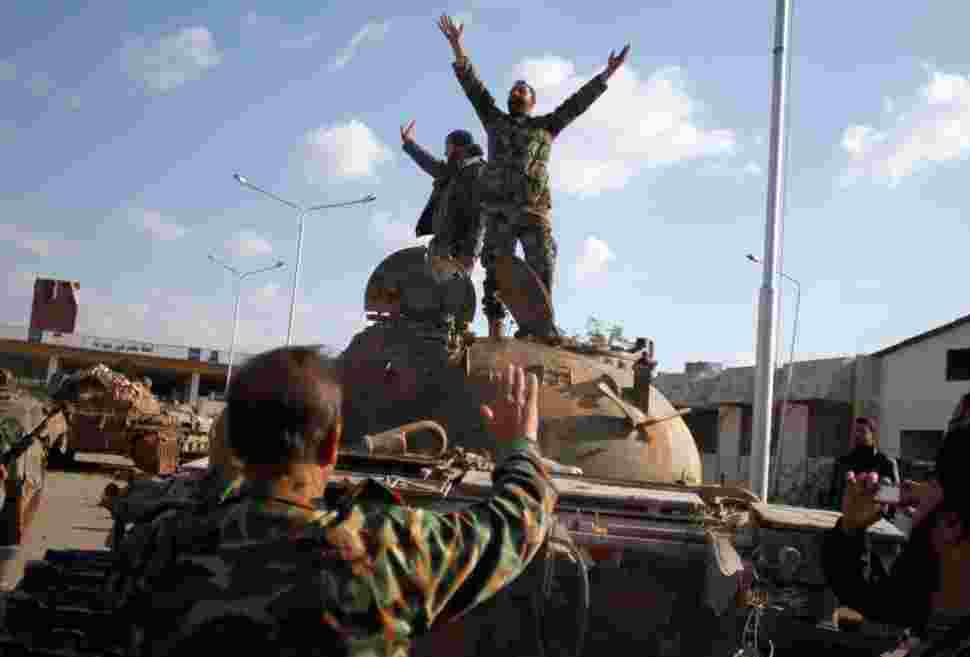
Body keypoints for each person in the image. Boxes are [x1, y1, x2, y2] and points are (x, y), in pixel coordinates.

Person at [107, 346, 558, 657]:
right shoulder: (383, 548)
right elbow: (517, 521)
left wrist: (220, 475)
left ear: (232, 440)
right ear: (331, 447)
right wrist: (520, 444)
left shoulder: (158, 545)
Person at [437, 13, 629, 339]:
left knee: (543, 266)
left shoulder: (546, 127)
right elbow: (473, 88)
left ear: (532, 101)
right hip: (498, 210)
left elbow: (576, 104)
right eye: (514, 88)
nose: (518, 91)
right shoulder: (494, 120)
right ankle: (495, 326)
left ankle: (539, 327)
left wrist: (606, 74)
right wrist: (458, 46)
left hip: (533, 211)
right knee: (495, 269)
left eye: (524, 89)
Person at [822, 416, 970, 656]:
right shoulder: (961, 603)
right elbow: (876, 599)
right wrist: (851, 528)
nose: (911, 488)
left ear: (951, 523)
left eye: (930, 481)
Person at [401, 121, 487, 276]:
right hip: (441, 245)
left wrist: (470, 253)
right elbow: (429, 163)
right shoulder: (452, 170)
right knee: (429, 294)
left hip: (458, 251)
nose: (445, 153)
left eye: (448, 147)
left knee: (450, 295)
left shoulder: (478, 173)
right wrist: (409, 144)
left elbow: (480, 216)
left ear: (459, 148)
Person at [827, 416, 900, 511]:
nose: (857, 434)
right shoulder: (842, 462)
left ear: (872, 434)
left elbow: (894, 499)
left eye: (862, 431)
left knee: (884, 481)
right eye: (855, 431)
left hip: (876, 518)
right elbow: (833, 496)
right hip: (845, 516)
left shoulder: (887, 462)